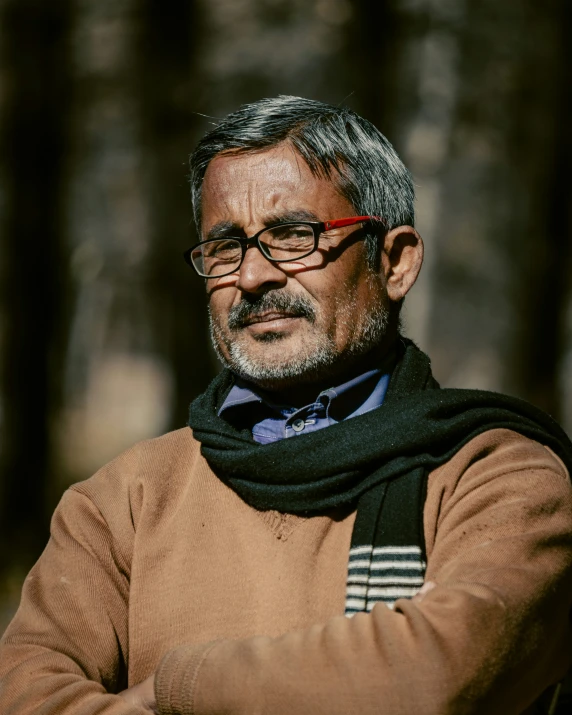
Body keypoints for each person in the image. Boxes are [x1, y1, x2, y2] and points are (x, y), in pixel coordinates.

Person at [1, 96, 572, 715]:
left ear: (396, 262)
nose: (252, 278)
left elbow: (438, 673)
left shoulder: (498, 477)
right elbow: (29, 696)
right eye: (225, 246)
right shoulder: (123, 502)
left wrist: (181, 689)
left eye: (293, 236)